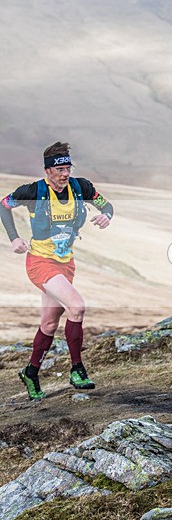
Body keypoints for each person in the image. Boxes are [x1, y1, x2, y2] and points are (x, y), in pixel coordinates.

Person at [1, 142, 114, 400]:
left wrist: (108, 216)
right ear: (48, 171)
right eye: (60, 169)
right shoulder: (33, 191)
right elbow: (3, 205)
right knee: (77, 306)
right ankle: (77, 370)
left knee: (49, 324)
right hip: (40, 262)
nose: (65, 173)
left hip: (66, 263)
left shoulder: (81, 187)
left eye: (68, 168)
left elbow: (106, 205)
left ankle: (30, 372)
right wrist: (14, 238)